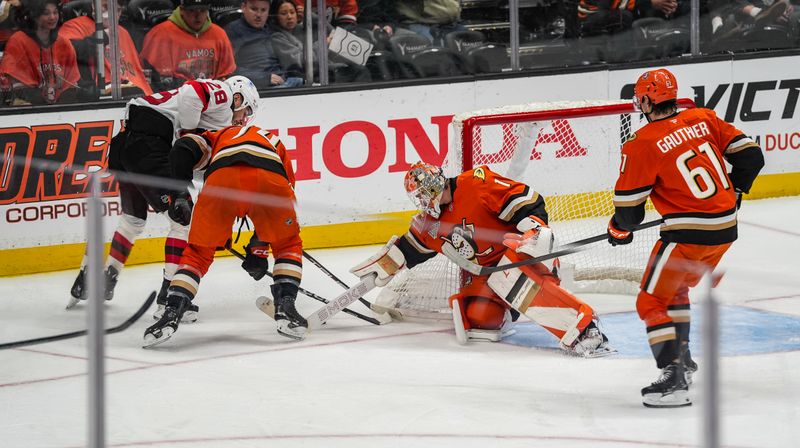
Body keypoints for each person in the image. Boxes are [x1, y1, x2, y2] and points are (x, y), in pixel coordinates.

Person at [607, 68, 765, 408]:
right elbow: (752, 156)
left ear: (646, 100)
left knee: (649, 302)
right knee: (675, 289)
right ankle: (684, 359)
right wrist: (735, 190)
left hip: (689, 233)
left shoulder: (641, 143)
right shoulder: (703, 117)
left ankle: (673, 378)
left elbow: (629, 213)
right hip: (725, 229)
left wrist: (618, 229)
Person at [350, 162, 615, 357]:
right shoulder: (429, 224)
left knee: (510, 279)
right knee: (480, 318)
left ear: (431, 186)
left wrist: (533, 230)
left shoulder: (475, 183)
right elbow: (409, 249)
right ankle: (510, 307)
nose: (419, 200)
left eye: (420, 193)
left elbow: (527, 199)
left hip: (523, 258)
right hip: (490, 276)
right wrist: (384, 264)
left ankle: (586, 329)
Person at [68, 76, 261, 321]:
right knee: (183, 221)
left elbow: (197, 168)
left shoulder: (209, 122)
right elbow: (193, 91)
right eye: (246, 111)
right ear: (238, 97)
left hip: (124, 144)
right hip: (148, 142)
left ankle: (96, 278)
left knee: (132, 219)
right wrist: (187, 134)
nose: (242, 119)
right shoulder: (222, 96)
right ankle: (168, 297)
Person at [143, 124, 305, 346]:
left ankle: (170, 313)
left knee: (197, 255)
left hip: (222, 179)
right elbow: (283, 194)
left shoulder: (213, 138)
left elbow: (182, 148)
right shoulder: (273, 140)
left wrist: (179, 193)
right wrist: (259, 249)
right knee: (287, 244)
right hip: (269, 177)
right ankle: (286, 307)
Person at [59, 0, 152, 97]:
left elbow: (137, 72)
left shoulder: (122, 31)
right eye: (104, 7)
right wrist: (101, 37)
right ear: (94, 7)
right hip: (102, 95)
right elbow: (64, 54)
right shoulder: (74, 26)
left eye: (117, 10)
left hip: (137, 95)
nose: (109, 13)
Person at [139, 0, 237, 91]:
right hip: (173, 97)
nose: (197, 16)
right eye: (191, 10)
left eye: (202, 10)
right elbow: (150, 76)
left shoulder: (219, 34)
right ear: (181, 10)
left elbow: (226, 74)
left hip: (211, 97)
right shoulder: (160, 34)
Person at [0, 0, 80, 105]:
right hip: (27, 111)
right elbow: (19, 91)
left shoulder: (64, 43)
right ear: (34, 16)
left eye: (55, 12)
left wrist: (60, 110)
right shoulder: (18, 41)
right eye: (46, 13)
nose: (52, 17)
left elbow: (70, 88)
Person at [270, 0, 369, 83]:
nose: (289, 17)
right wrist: (324, 44)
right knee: (360, 71)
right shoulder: (277, 38)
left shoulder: (301, 28)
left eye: (292, 12)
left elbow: (332, 33)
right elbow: (301, 62)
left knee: (368, 63)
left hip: (326, 69)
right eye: (284, 13)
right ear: (276, 17)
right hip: (312, 77)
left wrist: (311, 16)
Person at [225, 0, 302, 89]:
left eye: (263, 10)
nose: (259, 15)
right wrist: (264, 78)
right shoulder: (233, 31)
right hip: (258, 88)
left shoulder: (271, 29)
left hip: (287, 80)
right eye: (254, 9)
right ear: (243, 7)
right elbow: (229, 70)